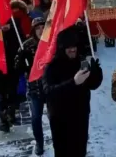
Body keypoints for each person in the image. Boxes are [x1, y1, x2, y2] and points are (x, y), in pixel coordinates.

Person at [43, 27, 103, 157]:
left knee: (80, 151)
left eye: (74, 46)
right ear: (61, 48)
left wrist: (96, 74)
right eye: (68, 47)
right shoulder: (52, 67)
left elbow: (92, 85)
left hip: (80, 117)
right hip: (60, 120)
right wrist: (73, 82)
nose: (72, 49)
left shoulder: (80, 63)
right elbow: (49, 93)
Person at [15, 17, 46, 156]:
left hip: (51, 86)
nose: (40, 30)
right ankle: (39, 143)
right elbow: (17, 67)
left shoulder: (51, 42)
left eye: (42, 27)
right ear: (33, 30)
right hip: (34, 88)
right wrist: (22, 59)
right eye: (37, 28)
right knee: (36, 118)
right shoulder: (26, 45)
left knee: (56, 117)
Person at [0, 16, 26, 133]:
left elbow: (21, 45)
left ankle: (10, 115)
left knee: (12, 94)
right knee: (0, 96)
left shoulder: (15, 28)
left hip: (13, 69)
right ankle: (3, 120)